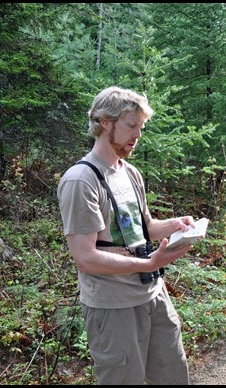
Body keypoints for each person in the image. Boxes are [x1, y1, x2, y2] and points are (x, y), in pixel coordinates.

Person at [57, 86, 195, 385]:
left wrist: (175, 225)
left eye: (141, 127)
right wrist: (147, 264)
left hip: (154, 294)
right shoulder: (81, 180)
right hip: (112, 304)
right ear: (105, 122)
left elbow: (142, 228)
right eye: (132, 126)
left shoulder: (129, 172)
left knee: (173, 373)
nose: (138, 135)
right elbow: (86, 258)